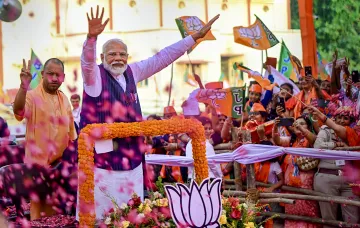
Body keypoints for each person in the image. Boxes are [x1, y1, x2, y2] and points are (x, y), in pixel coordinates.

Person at [77, 6, 219, 219]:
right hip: (102, 166)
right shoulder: (94, 76)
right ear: (103, 56)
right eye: (112, 54)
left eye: (122, 54)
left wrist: (193, 38)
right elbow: (87, 63)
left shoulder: (132, 72)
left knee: (132, 218)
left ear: (127, 56)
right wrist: (91, 38)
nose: (118, 58)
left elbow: (163, 58)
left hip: (132, 160)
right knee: (101, 220)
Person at [13, 58, 77, 220]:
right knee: (39, 217)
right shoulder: (32, 96)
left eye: (58, 75)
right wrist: (23, 86)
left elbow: (72, 137)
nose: (54, 78)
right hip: (38, 170)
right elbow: (19, 111)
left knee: (59, 216)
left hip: (60, 170)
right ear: (42, 74)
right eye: (50, 74)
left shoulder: (64, 99)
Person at [312, 106, 359, 226]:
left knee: (352, 219)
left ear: (351, 121)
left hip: (350, 181)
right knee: (329, 219)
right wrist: (335, 144)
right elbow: (317, 147)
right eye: (339, 117)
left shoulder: (353, 134)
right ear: (334, 118)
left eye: (346, 118)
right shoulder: (326, 129)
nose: (342, 121)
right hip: (327, 178)